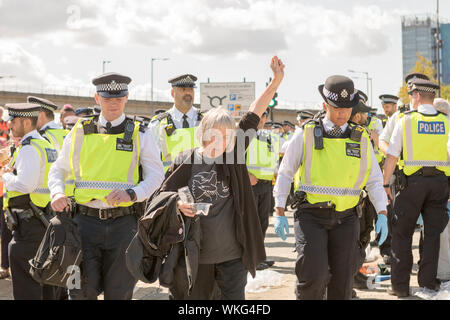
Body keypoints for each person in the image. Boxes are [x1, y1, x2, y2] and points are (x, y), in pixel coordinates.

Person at [162, 56, 284, 300]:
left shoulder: (233, 157)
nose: (221, 140)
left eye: (227, 136)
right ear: (203, 133)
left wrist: (275, 82)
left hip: (232, 258)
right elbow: (162, 195)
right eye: (215, 134)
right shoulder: (186, 160)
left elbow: (252, 115)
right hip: (197, 256)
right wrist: (178, 203)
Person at [48, 72, 165, 300]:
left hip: (124, 226)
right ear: (96, 98)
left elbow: (156, 175)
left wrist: (132, 193)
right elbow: (58, 169)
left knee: (119, 294)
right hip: (84, 225)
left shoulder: (141, 132)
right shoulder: (79, 130)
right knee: (80, 292)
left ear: (127, 98)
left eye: (119, 98)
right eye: (108, 98)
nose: (113, 103)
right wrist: (57, 192)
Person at [274, 75, 388, 300]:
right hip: (311, 217)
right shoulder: (305, 133)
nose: (342, 113)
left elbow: (374, 180)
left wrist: (382, 212)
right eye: (337, 108)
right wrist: (279, 211)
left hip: (346, 219)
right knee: (313, 277)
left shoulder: (361, 138)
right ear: (325, 105)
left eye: (347, 108)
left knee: (343, 281)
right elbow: (286, 172)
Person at [383, 78, 449, 297]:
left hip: (411, 185)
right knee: (432, 236)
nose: (411, 99)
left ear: (418, 96)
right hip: (439, 185)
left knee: (402, 235)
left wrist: (385, 183)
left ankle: (400, 287)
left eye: (411, 95)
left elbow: (392, 156)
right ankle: (428, 284)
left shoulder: (407, 120)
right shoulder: (446, 121)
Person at [1, 103, 57, 300]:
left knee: (27, 286)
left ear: (26, 122)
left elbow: (25, 185)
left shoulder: (29, 148)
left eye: (13, 121)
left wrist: (6, 176)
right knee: (44, 282)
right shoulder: (45, 145)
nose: (10, 125)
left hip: (29, 224)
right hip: (42, 219)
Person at [149, 74, 203, 172]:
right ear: (172, 93)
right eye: (183, 89)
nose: (188, 93)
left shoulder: (206, 120)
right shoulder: (158, 123)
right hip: (169, 183)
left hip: (200, 182)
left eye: (190, 89)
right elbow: (150, 161)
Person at [246, 109, 278, 270]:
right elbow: (234, 160)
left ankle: (259, 257)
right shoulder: (244, 135)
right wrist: (246, 176)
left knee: (262, 222)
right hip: (249, 185)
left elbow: (273, 159)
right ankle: (251, 259)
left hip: (265, 185)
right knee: (251, 223)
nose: (261, 119)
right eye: (258, 116)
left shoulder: (269, 137)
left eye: (263, 116)